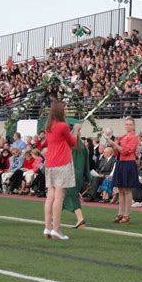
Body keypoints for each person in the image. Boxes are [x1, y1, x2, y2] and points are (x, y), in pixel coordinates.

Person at [43, 101, 81, 240]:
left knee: (50, 197)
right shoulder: (63, 125)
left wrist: (72, 133)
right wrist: (76, 131)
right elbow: (72, 142)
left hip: (50, 163)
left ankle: (48, 227)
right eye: (65, 108)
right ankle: (56, 229)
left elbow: (63, 140)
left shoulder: (48, 126)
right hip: (62, 163)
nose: (66, 110)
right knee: (59, 197)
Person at [108, 117, 139, 224]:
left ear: (133, 125)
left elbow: (125, 151)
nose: (128, 126)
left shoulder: (134, 137)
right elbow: (117, 153)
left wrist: (115, 144)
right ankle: (120, 213)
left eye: (130, 124)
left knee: (127, 189)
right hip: (121, 163)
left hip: (129, 163)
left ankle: (127, 214)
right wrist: (114, 146)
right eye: (126, 124)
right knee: (120, 189)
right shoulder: (122, 137)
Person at [62, 118, 91, 230]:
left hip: (69, 173)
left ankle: (80, 219)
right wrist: (88, 178)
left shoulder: (68, 145)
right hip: (79, 176)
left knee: (69, 196)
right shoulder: (83, 147)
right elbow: (87, 165)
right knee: (62, 195)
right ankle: (54, 218)